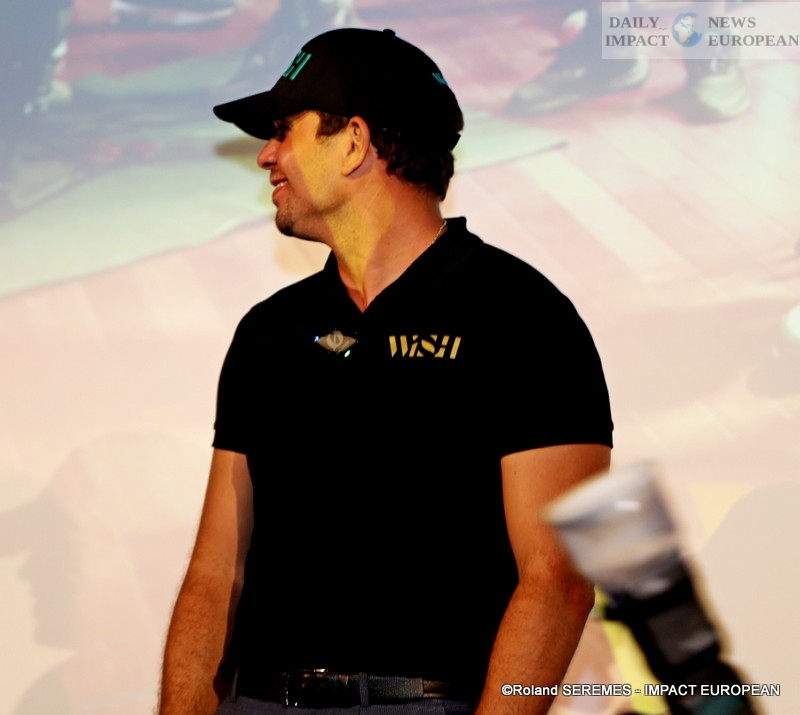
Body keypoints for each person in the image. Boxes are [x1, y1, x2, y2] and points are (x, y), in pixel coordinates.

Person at [158, 27, 613, 715]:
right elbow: (216, 573)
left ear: (354, 141)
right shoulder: (269, 331)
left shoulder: (521, 316)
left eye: (283, 131)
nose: (266, 156)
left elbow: (557, 577)